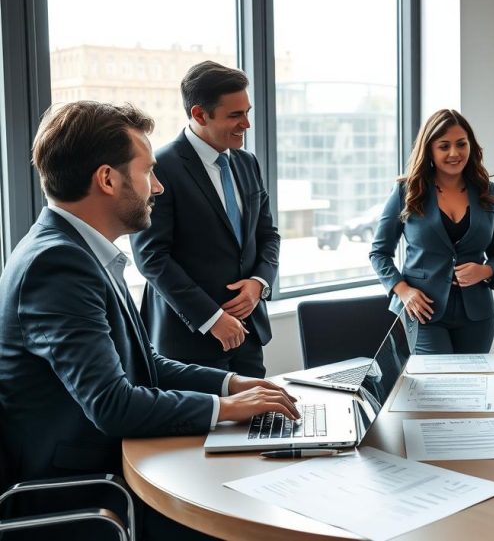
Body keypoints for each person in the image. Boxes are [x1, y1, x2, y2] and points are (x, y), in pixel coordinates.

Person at [0, 101, 298, 538]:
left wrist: (231, 386)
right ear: (107, 178)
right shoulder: (59, 264)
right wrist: (228, 410)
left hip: (115, 464)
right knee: (252, 509)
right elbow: (113, 404)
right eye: (148, 172)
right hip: (88, 492)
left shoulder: (80, 249)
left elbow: (143, 363)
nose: (157, 187)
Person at [131, 61, 280, 378]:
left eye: (247, 111)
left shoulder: (247, 162)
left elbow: (268, 236)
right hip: (189, 341)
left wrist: (259, 284)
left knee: (258, 425)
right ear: (200, 114)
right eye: (235, 115)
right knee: (204, 428)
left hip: (249, 333)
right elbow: (151, 257)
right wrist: (212, 318)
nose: (247, 124)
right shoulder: (161, 168)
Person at [370, 109, 494, 354]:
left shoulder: (488, 192)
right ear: (430, 150)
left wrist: (486, 271)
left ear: (471, 146)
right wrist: (403, 291)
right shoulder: (407, 191)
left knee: (473, 388)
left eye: (461, 144)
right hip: (423, 312)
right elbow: (379, 252)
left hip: (477, 315)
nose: (454, 153)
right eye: (444, 146)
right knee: (438, 386)